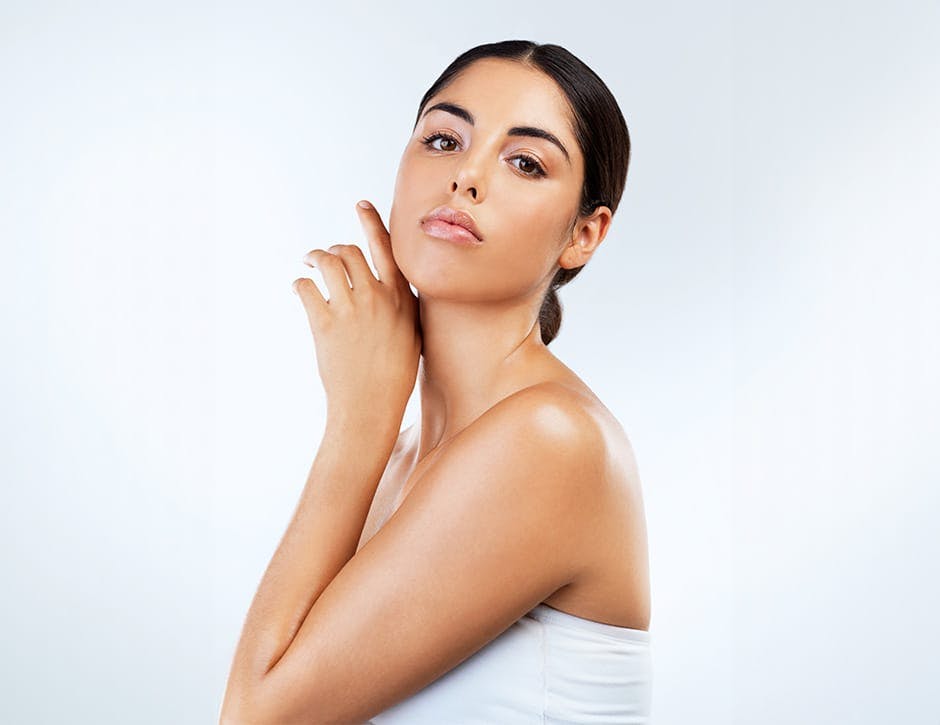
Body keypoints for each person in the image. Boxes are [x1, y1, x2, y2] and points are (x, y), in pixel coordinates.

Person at [220, 39, 651, 724]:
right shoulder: (399, 457)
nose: (467, 177)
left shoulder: (551, 440)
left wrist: (357, 421)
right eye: (445, 140)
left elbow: (257, 716)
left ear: (585, 234)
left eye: (525, 162)